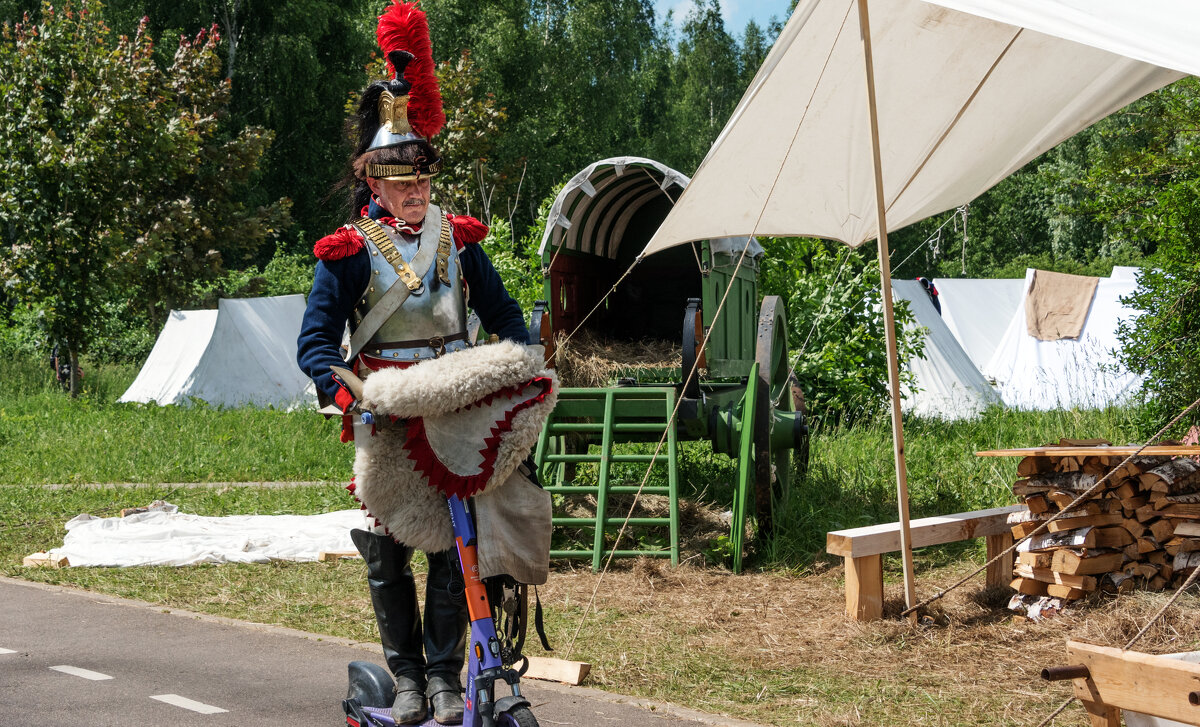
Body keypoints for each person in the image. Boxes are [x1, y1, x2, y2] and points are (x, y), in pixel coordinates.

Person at [296, 3, 531, 724]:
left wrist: (518, 369)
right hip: (385, 416)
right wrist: (351, 401)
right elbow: (314, 350)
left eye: (424, 180)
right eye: (403, 182)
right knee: (390, 550)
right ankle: (405, 678)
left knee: (456, 544)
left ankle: (445, 676)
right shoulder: (348, 250)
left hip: (454, 414)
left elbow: (509, 319)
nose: (417, 192)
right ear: (376, 182)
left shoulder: (459, 242)